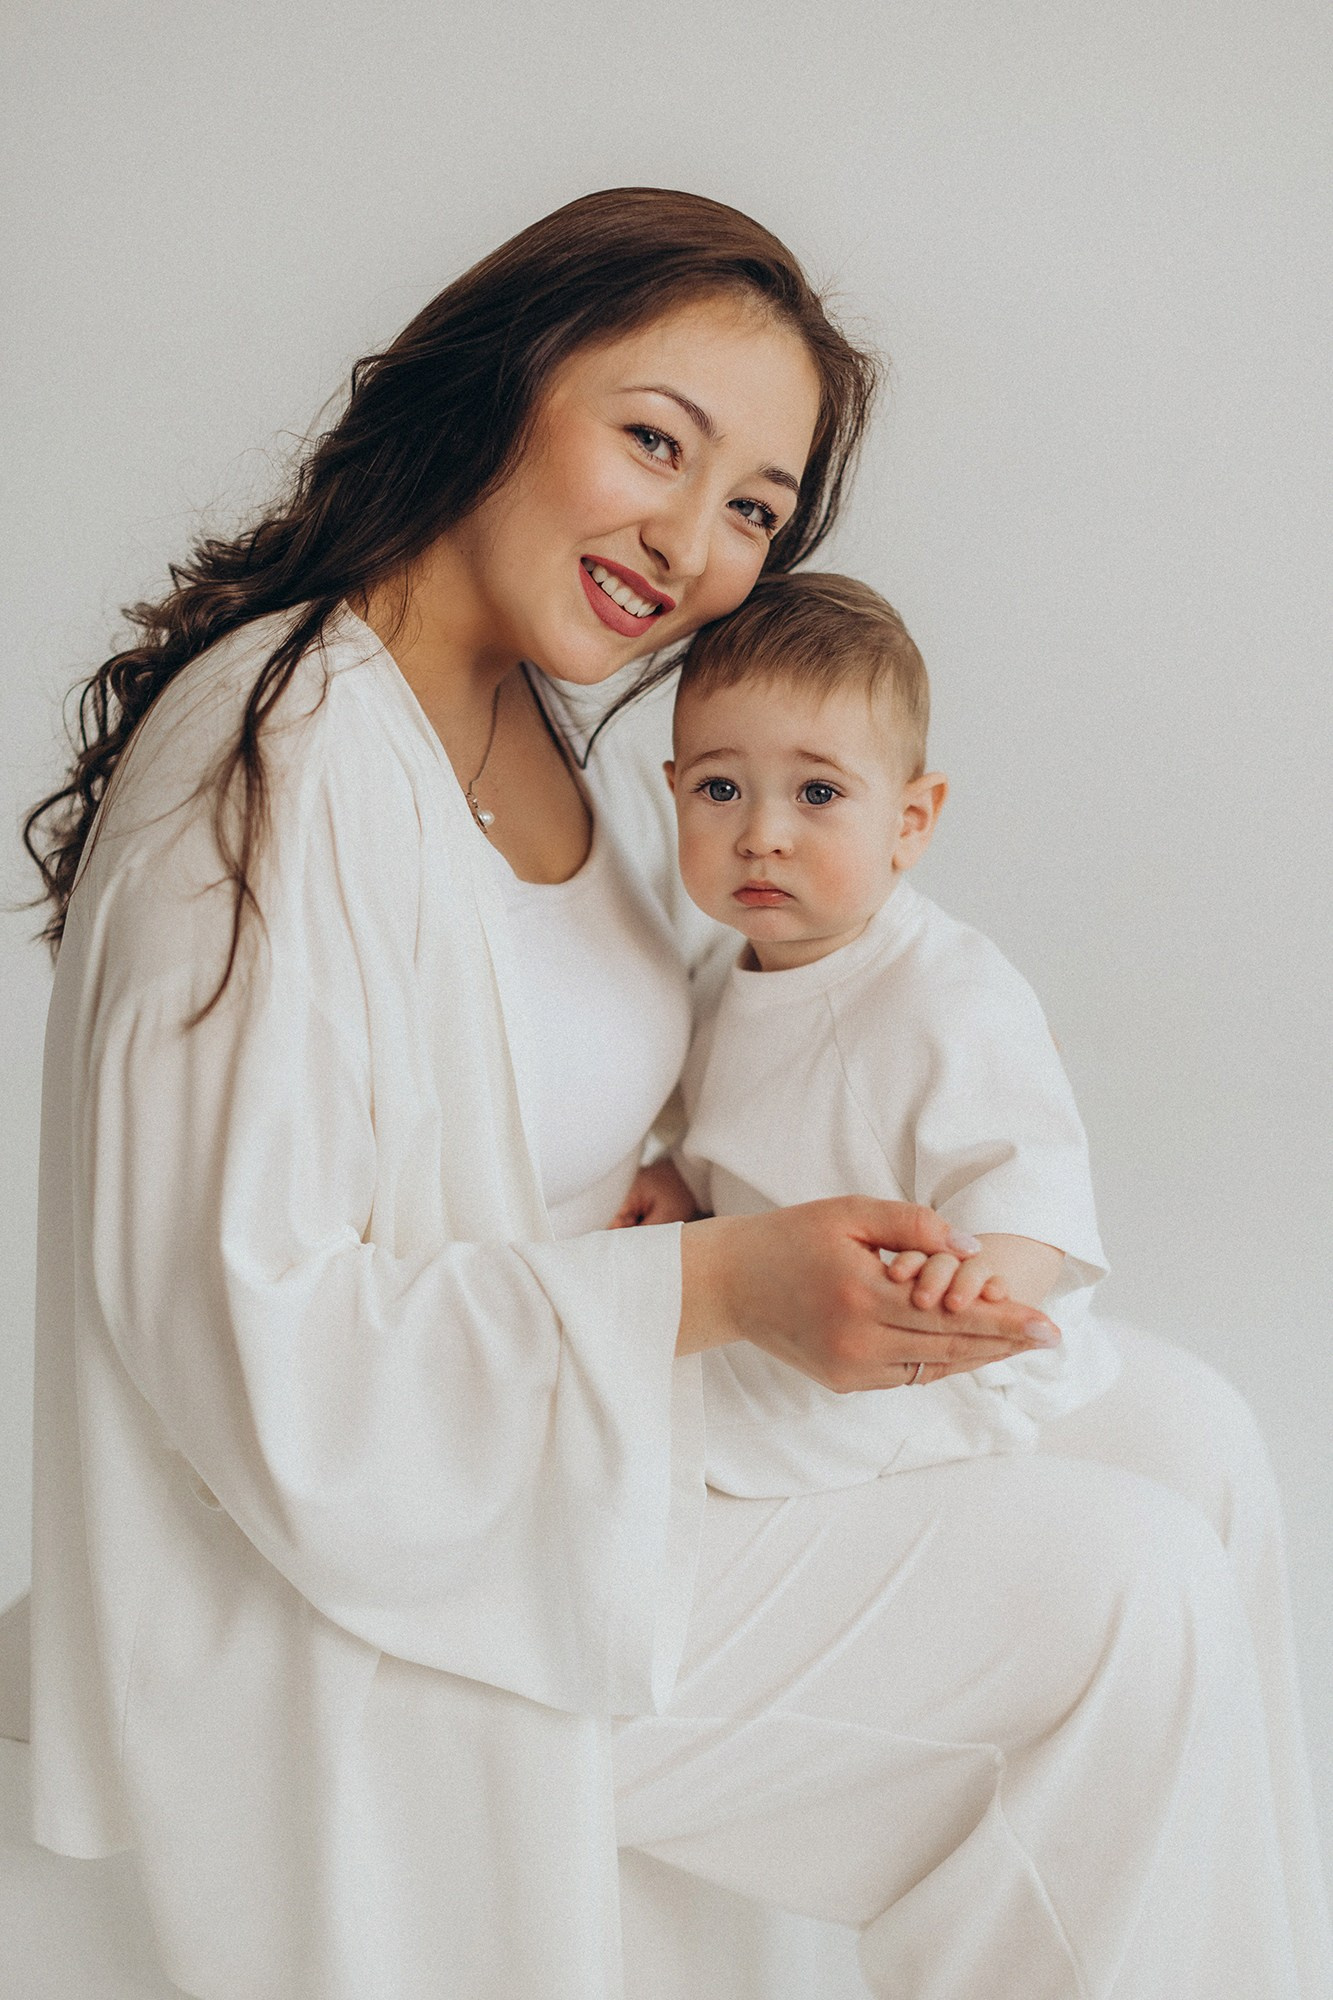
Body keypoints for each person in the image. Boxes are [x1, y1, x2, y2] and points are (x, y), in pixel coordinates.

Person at [21, 187, 1329, 1999]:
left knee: (1192, 1441)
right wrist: (718, 1285)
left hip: (583, 1421)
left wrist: (692, 1204)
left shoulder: (530, 721)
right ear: (500, 380)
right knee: (1125, 1596)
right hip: (362, 1571)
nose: (689, 544)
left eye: (753, 510)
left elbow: (547, 1105)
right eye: (655, 441)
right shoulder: (279, 761)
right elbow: (251, 1351)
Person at [635, 568, 1123, 1496]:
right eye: (719, 788)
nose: (761, 833)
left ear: (909, 820)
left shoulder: (949, 993)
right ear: (673, 794)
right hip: (801, 1313)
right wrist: (680, 1179)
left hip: (939, 1365)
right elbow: (740, 1126)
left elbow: (1032, 1180)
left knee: (676, 1445)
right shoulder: (721, 975)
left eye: (817, 793)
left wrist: (973, 1290)